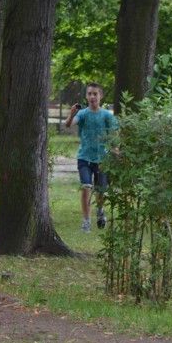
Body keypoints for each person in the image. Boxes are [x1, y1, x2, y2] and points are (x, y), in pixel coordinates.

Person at [65, 82, 119, 232]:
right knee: (86, 187)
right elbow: (68, 125)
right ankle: (86, 222)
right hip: (84, 158)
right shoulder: (82, 114)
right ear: (86, 96)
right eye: (89, 94)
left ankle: (100, 210)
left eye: (95, 94)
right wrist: (71, 114)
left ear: (100, 96)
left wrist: (115, 149)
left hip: (102, 159)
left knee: (100, 191)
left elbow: (115, 135)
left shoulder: (107, 115)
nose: (92, 96)